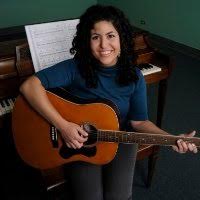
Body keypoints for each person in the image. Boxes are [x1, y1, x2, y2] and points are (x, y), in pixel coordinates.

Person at [20, 4, 197, 200]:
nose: (104, 45)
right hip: (80, 141)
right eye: (96, 37)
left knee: (119, 197)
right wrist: (63, 126)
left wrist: (172, 139)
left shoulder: (134, 76)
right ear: (87, 41)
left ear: (122, 38)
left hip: (122, 138)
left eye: (111, 35)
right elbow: (29, 86)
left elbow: (139, 122)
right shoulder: (76, 68)